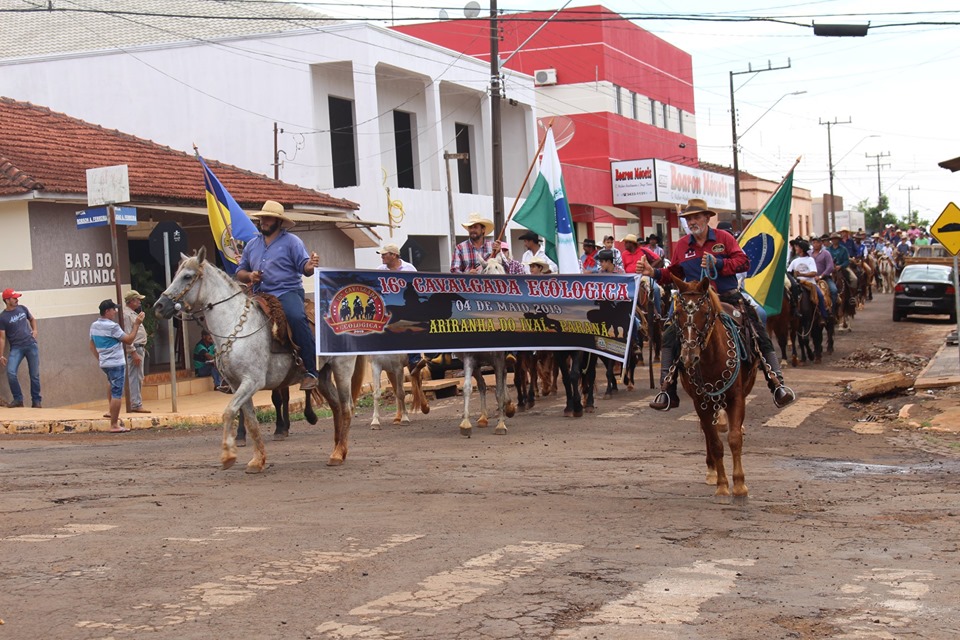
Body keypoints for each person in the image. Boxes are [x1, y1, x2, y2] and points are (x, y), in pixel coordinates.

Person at [638, 198, 795, 411]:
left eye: (696, 217)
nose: (692, 221)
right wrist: (654, 272)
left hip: (727, 298)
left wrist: (718, 263)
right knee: (670, 335)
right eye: (689, 218)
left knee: (757, 328)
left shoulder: (725, 238)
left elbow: (744, 262)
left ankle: (776, 383)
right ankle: (667, 389)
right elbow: (674, 274)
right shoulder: (683, 245)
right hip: (696, 303)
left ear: (707, 218)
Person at [236, 200, 320, 391]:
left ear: (279, 222)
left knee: (296, 317)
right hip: (259, 294)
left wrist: (311, 264)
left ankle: (311, 370)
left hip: (286, 292)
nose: (263, 221)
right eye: (262, 218)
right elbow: (240, 272)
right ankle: (235, 372)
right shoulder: (251, 245)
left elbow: (305, 268)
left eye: (268, 218)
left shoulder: (292, 242)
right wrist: (250, 275)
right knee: (238, 318)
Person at [90, 299, 145, 432]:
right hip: (116, 362)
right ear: (107, 311)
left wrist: (100, 358)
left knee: (111, 383)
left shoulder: (94, 325)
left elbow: (91, 345)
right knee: (117, 393)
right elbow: (129, 339)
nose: (115, 312)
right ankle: (114, 424)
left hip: (105, 363)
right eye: (113, 309)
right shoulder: (112, 326)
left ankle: (111, 412)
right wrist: (136, 324)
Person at [0, 288, 41, 408]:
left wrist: (35, 330)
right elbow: (2, 338)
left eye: (17, 297)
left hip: (31, 345)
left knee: (34, 375)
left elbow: (32, 319)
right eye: (14, 298)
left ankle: (36, 401)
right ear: (7, 300)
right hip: (16, 348)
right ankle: (18, 399)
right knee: (11, 372)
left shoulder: (22, 308)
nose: (17, 299)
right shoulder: (2, 317)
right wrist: (1, 355)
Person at [122, 290, 151, 413]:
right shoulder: (127, 315)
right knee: (135, 376)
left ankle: (136, 402)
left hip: (139, 347)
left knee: (138, 376)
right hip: (135, 348)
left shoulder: (132, 314)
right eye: (137, 299)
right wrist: (133, 352)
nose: (139, 302)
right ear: (131, 301)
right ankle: (136, 403)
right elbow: (127, 335)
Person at [786, 240, 829, 320]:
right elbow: (788, 271)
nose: (796, 248)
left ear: (801, 249)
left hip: (810, 283)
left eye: (797, 247)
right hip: (798, 283)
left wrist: (801, 274)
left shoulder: (810, 260)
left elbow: (813, 273)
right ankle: (793, 310)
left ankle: (823, 315)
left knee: (820, 295)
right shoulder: (795, 261)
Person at [811, 235, 838, 311]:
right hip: (810, 278)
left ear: (821, 244)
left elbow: (830, 267)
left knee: (834, 290)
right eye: (814, 243)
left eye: (817, 242)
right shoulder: (809, 253)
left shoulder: (826, 253)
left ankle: (832, 310)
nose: (815, 244)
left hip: (824, 278)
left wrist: (820, 276)